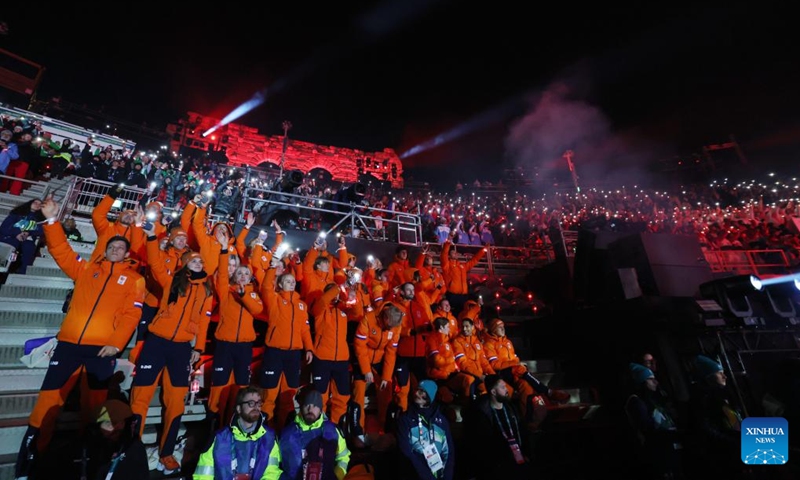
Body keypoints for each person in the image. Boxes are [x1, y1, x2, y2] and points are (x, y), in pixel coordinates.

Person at [15, 198, 146, 480]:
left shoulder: (135, 280)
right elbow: (61, 251)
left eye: (120, 247)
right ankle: (31, 461)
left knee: (95, 410)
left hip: (101, 350)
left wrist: (116, 343)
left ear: (127, 253)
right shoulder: (87, 270)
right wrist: (51, 222)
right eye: (111, 246)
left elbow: (130, 316)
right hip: (69, 345)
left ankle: (93, 462)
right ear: (105, 249)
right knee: (46, 405)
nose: (115, 249)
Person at [129, 223, 215, 475]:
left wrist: (198, 347)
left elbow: (203, 321)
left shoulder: (207, 291)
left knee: (176, 403)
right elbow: (155, 262)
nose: (198, 263)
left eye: (201, 261)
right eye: (193, 260)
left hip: (181, 349)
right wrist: (153, 235)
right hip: (156, 342)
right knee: (140, 398)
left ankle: (166, 453)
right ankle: (131, 448)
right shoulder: (172, 283)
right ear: (185, 263)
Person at [194, 387, 282, 480]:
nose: (256, 407)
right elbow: (203, 475)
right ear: (239, 409)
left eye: (259, 403)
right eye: (251, 403)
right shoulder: (219, 438)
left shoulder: (269, 438)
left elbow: (272, 473)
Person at [463, 375, 531, 479]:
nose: (506, 390)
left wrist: (525, 452)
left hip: (517, 461)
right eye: (503, 387)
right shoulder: (483, 414)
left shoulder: (511, 408)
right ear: (493, 392)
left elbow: (521, 430)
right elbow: (482, 444)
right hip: (498, 467)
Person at [625, 363, 684, 480]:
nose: (656, 382)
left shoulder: (651, 400)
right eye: (650, 380)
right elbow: (649, 430)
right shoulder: (637, 402)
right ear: (642, 382)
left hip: (667, 450)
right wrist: (676, 434)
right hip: (659, 454)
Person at [278, 388, 351, 480]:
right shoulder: (286, 433)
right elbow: (274, 465)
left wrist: (337, 476)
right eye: (306, 405)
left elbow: (343, 457)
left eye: (315, 406)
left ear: (320, 409)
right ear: (301, 407)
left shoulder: (333, 431)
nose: (310, 409)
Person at [395, 380, 455, 480]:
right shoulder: (405, 420)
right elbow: (405, 451)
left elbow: (449, 451)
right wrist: (426, 476)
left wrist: (447, 477)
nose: (417, 393)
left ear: (430, 395)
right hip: (414, 475)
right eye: (417, 390)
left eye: (422, 391)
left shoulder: (441, 421)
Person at [0, 198, 45, 274]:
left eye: (40, 205)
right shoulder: (17, 213)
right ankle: (3, 267)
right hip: (11, 235)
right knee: (11, 244)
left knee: (29, 248)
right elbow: (5, 226)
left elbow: (40, 231)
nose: (37, 205)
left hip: (27, 238)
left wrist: (28, 232)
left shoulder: (40, 219)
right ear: (30, 203)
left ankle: (22, 271)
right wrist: (17, 233)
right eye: (35, 202)